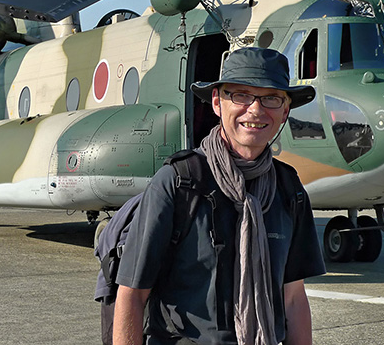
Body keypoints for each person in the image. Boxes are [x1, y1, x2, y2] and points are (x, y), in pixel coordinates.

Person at [113, 47, 326, 345]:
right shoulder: (179, 182)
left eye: (271, 98)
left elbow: (293, 298)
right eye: (240, 95)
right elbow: (132, 294)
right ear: (217, 102)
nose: (255, 110)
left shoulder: (288, 188)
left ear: (285, 111)